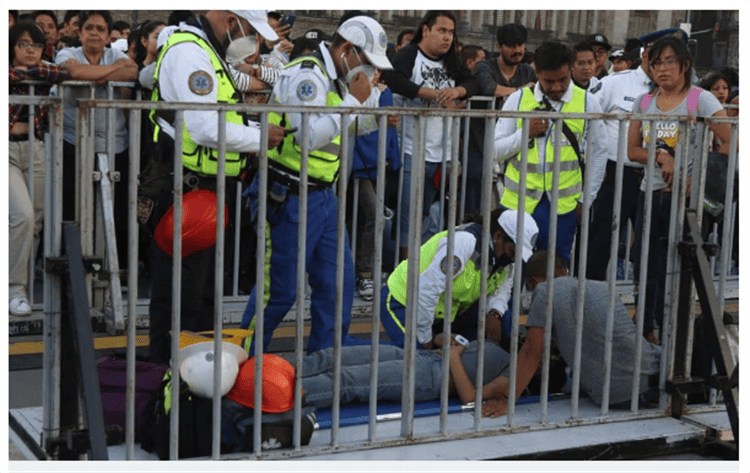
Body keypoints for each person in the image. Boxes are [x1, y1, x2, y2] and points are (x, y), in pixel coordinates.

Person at [239, 15, 393, 354]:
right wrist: (353, 101)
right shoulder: (306, 74)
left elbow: (346, 130)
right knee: (278, 291)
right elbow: (309, 136)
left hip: (323, 197)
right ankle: (243, 360)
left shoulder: (338, 78)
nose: (368, 72)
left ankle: (326, 359)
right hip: (288, 195)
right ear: (347, 51)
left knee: (336, 285)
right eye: (367, 63)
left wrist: (370, 112)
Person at [145, 10, 286, 363]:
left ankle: (192, 385)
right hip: (184, 189)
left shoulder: (205, 50)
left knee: (201, 297)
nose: (252, 41)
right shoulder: (190, 51)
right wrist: (258, 137)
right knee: (183, 297)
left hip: (200, 190)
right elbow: (205, 127)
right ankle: (171, 389)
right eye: (251, 30)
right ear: (231, 18)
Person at [627, 35, 731, 342]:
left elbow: (729, 142)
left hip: (686, 198)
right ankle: (647, 328)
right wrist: (662, 157)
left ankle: (678, 332)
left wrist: (696, 179)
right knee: (646, 263)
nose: (661, 69)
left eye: (669, 61)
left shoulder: (701, 99)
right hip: (651, 193)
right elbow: (633, 150)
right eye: (656, 62)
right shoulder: (644, 101)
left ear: (685, 65)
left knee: (681, 265)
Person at [481, 251, 663, 418]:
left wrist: (506, 400)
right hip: (656, 379)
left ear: (535, 280)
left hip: (615, 397)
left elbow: (532, 352)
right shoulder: (602, 288)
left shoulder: (544, 291)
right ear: (564, 270)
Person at [494, 41, 607, 267]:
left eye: (562, 80)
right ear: (536, 72)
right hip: (518, 203)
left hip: (563, 206)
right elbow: (495, 149)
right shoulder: (518, 99)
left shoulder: (588, 102)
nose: (556, 87)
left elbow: (599, 154)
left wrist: (586, 200)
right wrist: (525, 134)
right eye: (549, 81)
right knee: (511, 269)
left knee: (555, 270)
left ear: (570, 70)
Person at [381, 11, 478, 259]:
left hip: (443, 151)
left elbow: (474, 83)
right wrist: (433, 94)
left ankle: (421, 266)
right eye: (442, 30)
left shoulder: (452, 61)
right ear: (426, 30)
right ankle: (404, 269)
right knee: (408, 214)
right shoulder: (409, 55)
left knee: (429, 214)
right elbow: (393, 78)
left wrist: (457, 91)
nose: (447, 38)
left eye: (451, 32)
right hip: (413, 148)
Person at [380, 208, 538, 349]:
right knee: (415, 362)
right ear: (498, 236)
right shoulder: (465, 244)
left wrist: (494, 313)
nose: (514, 258)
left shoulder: (506, 260)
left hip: (438, 314)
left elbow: (503, 288)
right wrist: (426, 339)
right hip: (403, 300)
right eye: (512, 251)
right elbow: (427, 290)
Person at [55, 10, 139, 274]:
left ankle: (115, 269)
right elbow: (73, 71)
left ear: (107, 36)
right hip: (74, 142)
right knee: (74, 207)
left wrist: (94, 74)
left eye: (100, 29)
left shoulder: (117, 55)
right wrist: (110, 74)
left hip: (116, 145)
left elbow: (133, 71)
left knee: (117, 209)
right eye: (88, 27)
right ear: (79, 33)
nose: (94, 32)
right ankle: (73, 269)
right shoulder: (66, 53)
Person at [9, 21, 70, 317]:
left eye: (35, 44)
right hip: (5, 147)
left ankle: (15, 285)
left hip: (34, 147)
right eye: (23, 44)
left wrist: (30, 72)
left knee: (35, 222)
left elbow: (65, 72)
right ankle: (13, 289)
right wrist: (26, 73)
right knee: (22, 215)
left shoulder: (43, 71)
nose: (30, 49)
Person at [586, 37, 658, 282]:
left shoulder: (682, 92)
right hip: (616, 171)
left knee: (653, 242)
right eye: (659, 57)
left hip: (657, 174)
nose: (665, 65)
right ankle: (590, 294)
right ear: (645, 55)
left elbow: (696, 118)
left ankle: (647, 304)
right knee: (602, 237)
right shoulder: (616, 83)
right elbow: (589, 118)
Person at [300, 337, 513, 409]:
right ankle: (274, 374)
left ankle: (280, 394)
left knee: (349, 380)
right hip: (426, 356)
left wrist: (454, 356)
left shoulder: (513, 374)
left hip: (430, 377)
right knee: (330, 357)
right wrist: (448, 341)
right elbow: (447, 345)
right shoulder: (500, 347)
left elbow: (469, 397)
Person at [467, 24, 537, 216]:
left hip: (513, 146)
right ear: (499, 48)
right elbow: (488, 88)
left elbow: (534, 94)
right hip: (479, 144)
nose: (518, 50)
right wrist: (521, 91)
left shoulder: (526, 71)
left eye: (521, 45)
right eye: (512, 46)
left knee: (509, 204)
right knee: (476, 204)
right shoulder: (485, 65)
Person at [350, 70, 402, 301]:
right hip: (352, 165)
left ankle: (365, 272)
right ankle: (363, 273)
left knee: (373, 218)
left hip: (378, 166)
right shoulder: (350, 91)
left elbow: (390, 130)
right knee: (369, 216)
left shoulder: (385, 92)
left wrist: (393, 158)